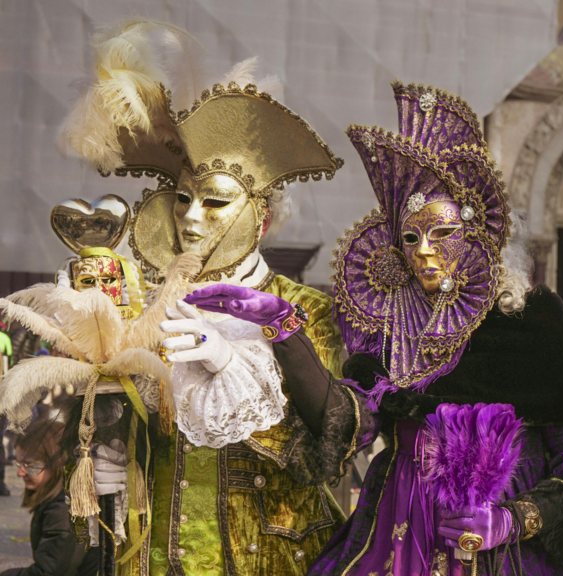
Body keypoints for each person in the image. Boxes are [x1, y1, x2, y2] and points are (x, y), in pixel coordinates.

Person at [207, 81, 563, 575]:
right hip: (396, 541)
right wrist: (285, 330)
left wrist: (514, 520)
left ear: (479, 236)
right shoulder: (389, 331)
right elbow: (342, 425)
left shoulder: (534, 321)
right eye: (411, 236)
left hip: (503, 555)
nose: (423, 250)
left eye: (442, 233)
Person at [56, 20, 375, 575]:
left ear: (264, 215)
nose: (191, 219)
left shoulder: (306, 309)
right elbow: (98, 407)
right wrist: (97, 457)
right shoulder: (141, 300)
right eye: (182, 199)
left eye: (216, 202)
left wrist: (234, 361)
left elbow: (329, 453)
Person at [0, 406, 97, 576]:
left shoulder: (63, 511)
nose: (19, 473)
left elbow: (47, 573)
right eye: (19, 463)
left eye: (29, 465)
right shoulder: (61, 500)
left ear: (56, 466)